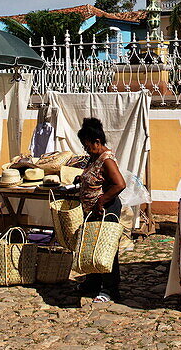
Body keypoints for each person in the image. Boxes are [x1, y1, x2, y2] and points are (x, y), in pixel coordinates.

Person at [76, 117, 125, 303]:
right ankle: (93, 282)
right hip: (92, 211)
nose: (86, 149)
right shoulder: (94, 157)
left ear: (97, 141)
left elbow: (120, 184)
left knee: (106, 248)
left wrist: (101, 201)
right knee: (92, 246)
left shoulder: (106, 159)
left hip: (105, 209)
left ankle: (110, 288)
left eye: (87, 145)